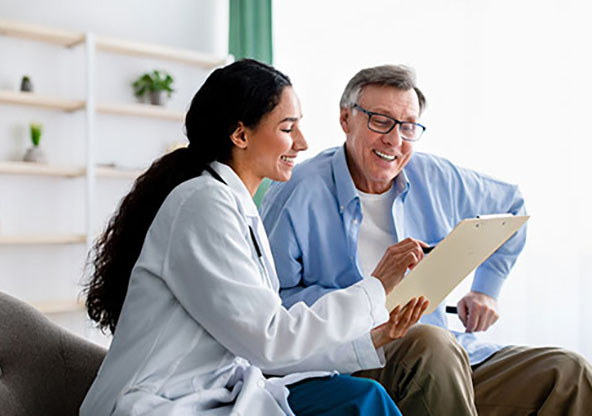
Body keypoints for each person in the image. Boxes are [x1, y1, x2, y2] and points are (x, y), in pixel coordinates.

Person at [79, 59, 430, 416]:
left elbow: (262, 345)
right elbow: (270, 339)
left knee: (361, 396)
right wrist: (375, 287)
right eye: (288, 128)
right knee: (362, 401)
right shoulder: (203, 204)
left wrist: (372, 339)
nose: (302, 143)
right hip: (159, 403)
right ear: (241, 135)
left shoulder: (236, 206)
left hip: (214, 390)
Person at [260, 64, 592, 415]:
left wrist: (486, 290)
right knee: (431, 345)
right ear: (346, 119)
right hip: (355, 355)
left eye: (407, 127)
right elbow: (273, 305)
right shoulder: (297, 191)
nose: (394, 140)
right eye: (380, 121)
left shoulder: (436, 177)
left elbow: (512, 206)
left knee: (567, 372)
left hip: (445, 355)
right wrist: (369, 301)